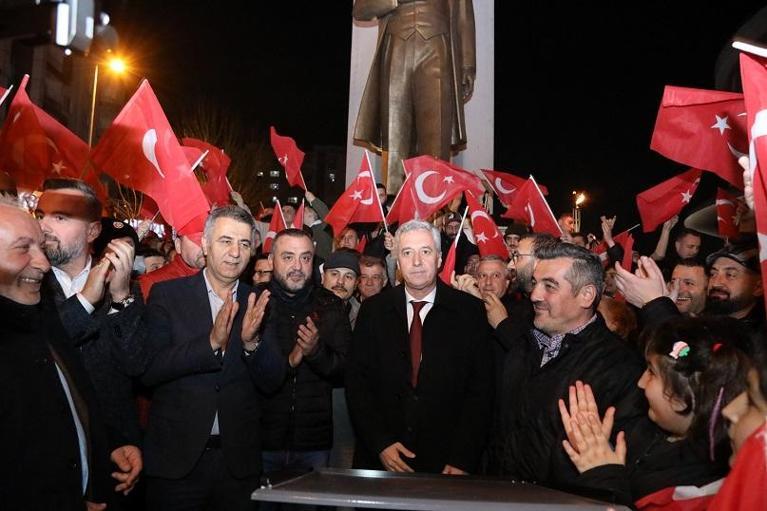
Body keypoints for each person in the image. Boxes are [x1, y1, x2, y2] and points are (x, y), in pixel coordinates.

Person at [141, 205, 284, 511]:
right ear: (205, 245)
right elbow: (149, 370)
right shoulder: (167, 295)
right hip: (176, 464)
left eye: (244, 244)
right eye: (225, 241)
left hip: (237, 467)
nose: (235, 252)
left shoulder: (258, 301)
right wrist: (209, 344)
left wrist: (251, 343)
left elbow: (273, 381)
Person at [489, 242, 645, 487]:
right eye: (535, 283)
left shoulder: (619, 366)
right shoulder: (523, 347)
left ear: (586, 295)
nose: (535, 295)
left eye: (550, 286)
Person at [346, 219, 493, 474]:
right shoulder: (373, 311)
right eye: (407, 253)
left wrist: (462, 457)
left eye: (425, 252)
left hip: (446, 462)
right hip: (380, 459)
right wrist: (380, 443)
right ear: (398, 262)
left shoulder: (469, 312)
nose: (416, 262)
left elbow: (481, 392)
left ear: (438, 258)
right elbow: (358, 384)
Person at [558, 317, 748, 508]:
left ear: (680, 399)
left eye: (651, 372)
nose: (640, 383)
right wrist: (590, 450)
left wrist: (604, 478)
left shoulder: (699, 487)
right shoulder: (642, 427)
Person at [0, 196, 112, 510]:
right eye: (24, 249)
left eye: (40, 247)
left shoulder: (38, 313)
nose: (43, 263)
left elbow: (68, 405)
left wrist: (99, 452)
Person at [35, 179, 144, 495]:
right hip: (48, 458)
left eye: (61, 217)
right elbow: (38, 351)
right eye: (41, 214)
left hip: (118, 459)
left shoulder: (124, 285)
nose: (44, 226)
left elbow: (138, 364)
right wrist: (85, 301)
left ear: (93, 232)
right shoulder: (23, 283)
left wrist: (122, 298)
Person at [352, 0, 476, 193]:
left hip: (437, 48)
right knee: (395, 143)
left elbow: (463, 14)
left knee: (437, 143)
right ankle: (396, 211)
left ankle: (434, 210)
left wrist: (468, 64)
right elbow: (360, 9)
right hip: (396, 47)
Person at [258, 229, 352, 480]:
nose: (297, 266)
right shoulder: (255, 301)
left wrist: (316, 352)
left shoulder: (331, 306)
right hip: (260, 439)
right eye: (288, 257)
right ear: (271, 261)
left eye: (305, 258)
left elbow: (346, 369)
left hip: (314, 442)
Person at [138, 226, 207, 300]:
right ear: (178, 245)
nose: (205, 245)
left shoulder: (218, 277)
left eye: (209, 239)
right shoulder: (153, 282)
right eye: (196, 239)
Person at [321, 250, 361, 328]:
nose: (340, 282)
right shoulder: (306, 310)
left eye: (348, 277)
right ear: (323, 277)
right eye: (334, 274)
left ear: (356, 284)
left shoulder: (363, 317)